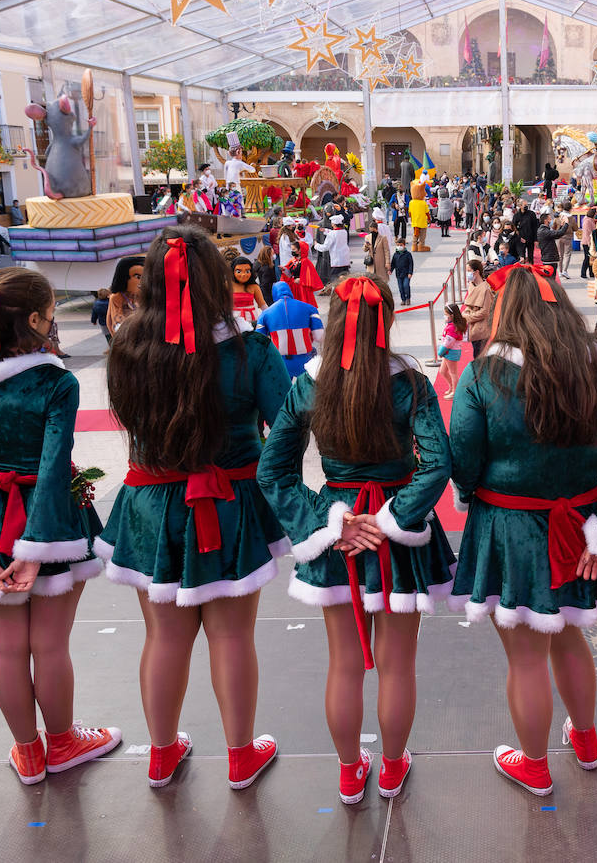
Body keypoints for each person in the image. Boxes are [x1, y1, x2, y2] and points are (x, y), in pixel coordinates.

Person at [447, 264, 597, 796]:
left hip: (508, 527)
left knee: (524, 659)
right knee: (569, 637)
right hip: (582, 527)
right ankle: (584, 741)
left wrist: (473, 492)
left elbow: (465, 463)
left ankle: (534, 765)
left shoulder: (483, 375)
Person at [98, 226, 291, 790]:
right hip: (229, 503)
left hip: (150, 507)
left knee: (163, 638)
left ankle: (160, 755)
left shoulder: (127, 348)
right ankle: (240, 756)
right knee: (232, 637)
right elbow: (286, 431)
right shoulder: (251, 349)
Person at [256, 276, 454, 804]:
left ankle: (349, 772)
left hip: (336, 540)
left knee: (343, 662)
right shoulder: (410, 384)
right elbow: (437, 464)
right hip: (398, 540)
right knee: (398, 663)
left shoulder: (309, 385)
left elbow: (272, 471)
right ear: (387, 319)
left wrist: (332, 521)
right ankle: (391, 769)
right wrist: (391, 518)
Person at [0, 269, 118, 784]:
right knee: (51, 645)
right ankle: (62, 744)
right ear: (35, 320)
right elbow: (55, 466)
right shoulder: (55, 382)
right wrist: (37, 547)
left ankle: (28, 754)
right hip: (53, 518)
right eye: (53, 311)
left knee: (8, 644)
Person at [256, 280, 325, 379]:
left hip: (279, 360)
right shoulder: (310, 308)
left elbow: (259, 340)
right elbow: (319, 336)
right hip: (305, 358)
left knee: (283, 391)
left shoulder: (265, 314)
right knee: (306, 389)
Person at [106, 255, 144, 334]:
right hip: (129, 338)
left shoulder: (148, 294)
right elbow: (113, 323)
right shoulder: (117, 297)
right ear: (124, 277)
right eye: (138, 276)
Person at [463, 258, 493, 358]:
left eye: (469, 271)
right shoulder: (472, 285)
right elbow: (468, 304)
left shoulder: (486, 289)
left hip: (481, 328)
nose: (467, 274)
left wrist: (467, 316)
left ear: (476, 272)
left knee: (478, 356)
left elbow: (485, 311)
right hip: (472, 325)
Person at [436, 302, 467, 398]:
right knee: (442, 371)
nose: (444, 316)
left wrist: (441, 352)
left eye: (446, 314)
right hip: (448, 352)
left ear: (452, 315)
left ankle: (455, 391)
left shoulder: (452, 327)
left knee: (453, 373)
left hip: (451, 352)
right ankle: (451, 387)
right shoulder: (451, 325)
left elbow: (448, 343)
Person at [231, 256, 267, 325]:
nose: (243, 274)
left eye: (247, 271)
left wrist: (271, 317)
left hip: (252, 320)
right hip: (234, 321)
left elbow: (263, 305)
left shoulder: (254, 286)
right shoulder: (228, 285)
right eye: (239, 271)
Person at [318, 215, 351, 287]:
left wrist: (316, 245)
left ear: (333, 224)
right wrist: (326, 231)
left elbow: (325, 247)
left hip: (336, 260)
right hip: (345, 259)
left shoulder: (332, 234)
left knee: (335, 280)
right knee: (345, 278)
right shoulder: (344, 231)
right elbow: (335, 234)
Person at [536, 211, 568, 275]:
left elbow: (557, 235)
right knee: (550, 278)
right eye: (550, 219)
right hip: (548, 258)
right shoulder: (544, 231)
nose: (551, 221)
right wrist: (566, 223)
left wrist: (562, 225)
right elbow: (559, 233)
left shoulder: (545, 229)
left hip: (549, 257)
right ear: (545, 221)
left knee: (551, 277)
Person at [390, 239, 414, 307]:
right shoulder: (395, 254)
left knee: (406, 286)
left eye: (401, 245)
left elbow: (411, 264)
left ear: (404, 245)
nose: (399, 246)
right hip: (398, 274)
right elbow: (393, 264)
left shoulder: (408, 254)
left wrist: (410, 272)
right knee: (400, 287)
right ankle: (403, 299)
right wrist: (390, 270)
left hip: (406, 274)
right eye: (398, 245)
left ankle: (408, 298)